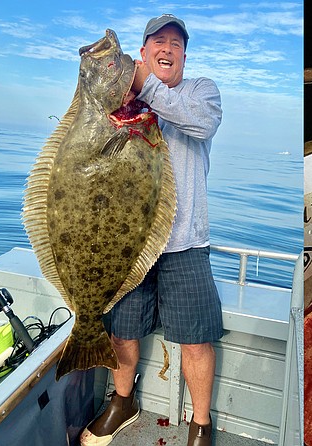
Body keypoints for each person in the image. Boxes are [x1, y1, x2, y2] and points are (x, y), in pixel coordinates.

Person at [80, 14, 223, 446]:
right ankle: (123, 402)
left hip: (185, 244)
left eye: (176, 44)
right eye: (158, 41)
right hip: (128, 247)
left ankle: (200, 424)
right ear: (142, 53)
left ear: (184, 55)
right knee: (122, 330)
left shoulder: (200, 91)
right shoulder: (118, 100)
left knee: (196, 340)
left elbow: (203, 124)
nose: (167, 49)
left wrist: (146, 86)